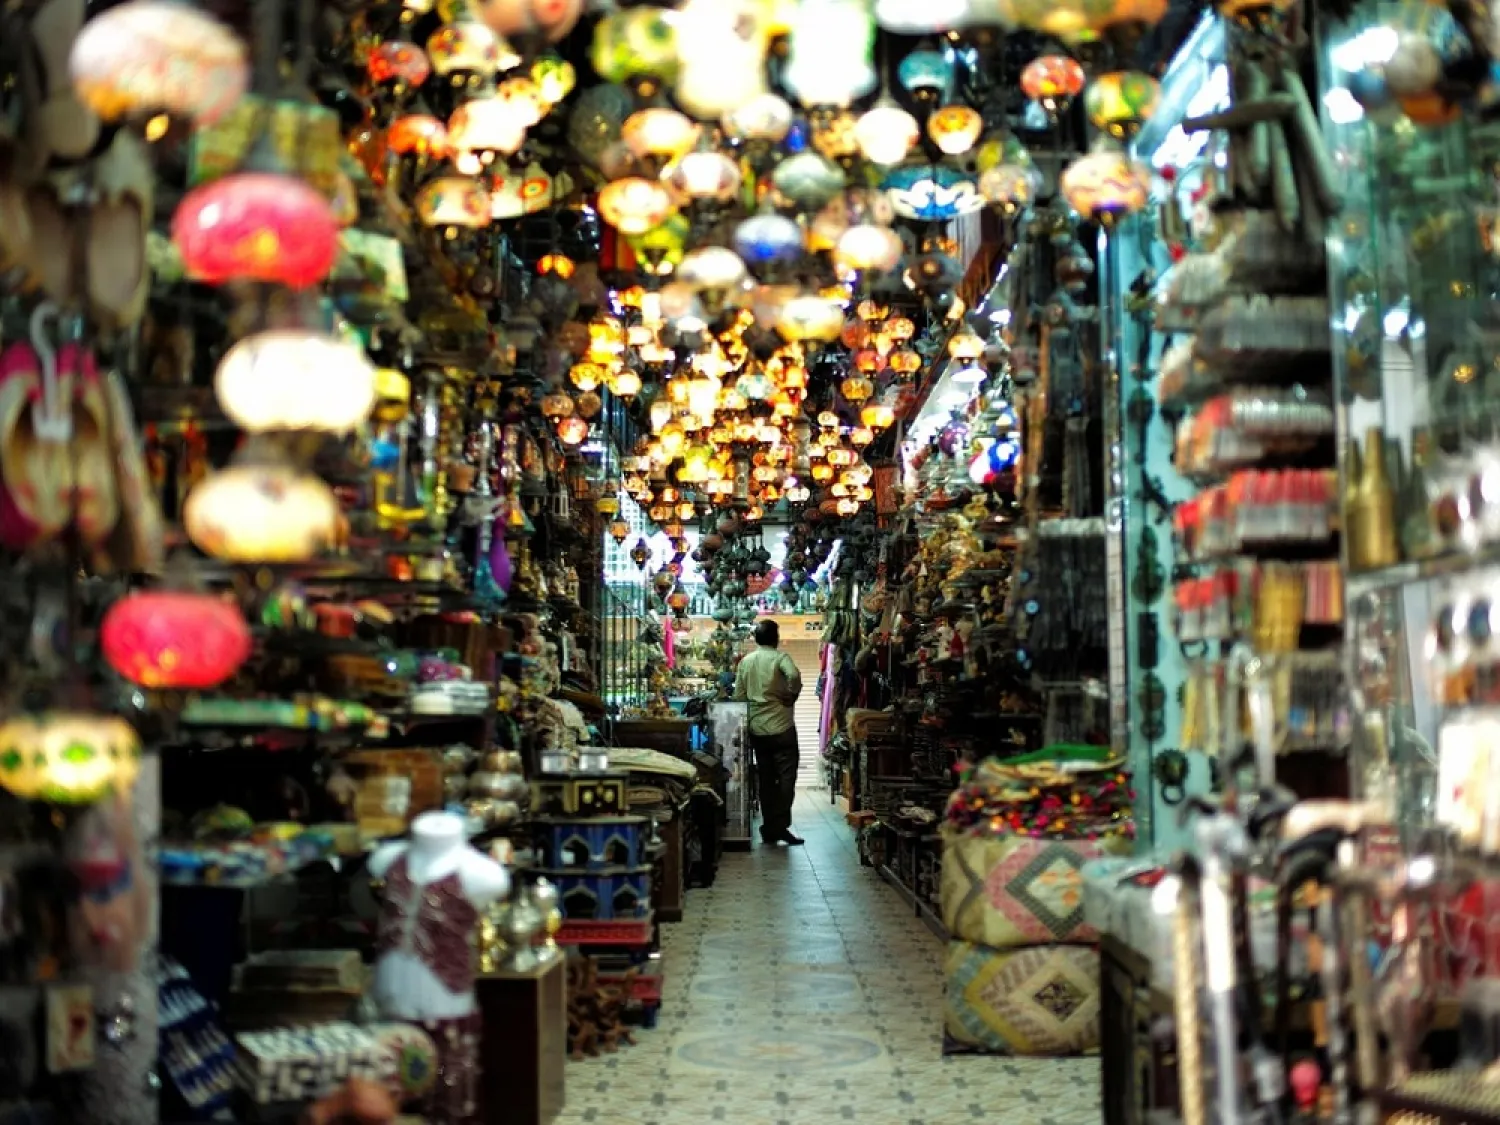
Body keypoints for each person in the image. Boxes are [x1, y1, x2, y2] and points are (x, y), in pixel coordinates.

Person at [733, 619, 804, 846]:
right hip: (782, 728)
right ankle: (778, 827)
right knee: (786, 778)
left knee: (765, 779)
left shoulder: (746, 662)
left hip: (757, 730)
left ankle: (770, 827)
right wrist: (791, 695)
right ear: (775, 637)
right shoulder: (780, 658)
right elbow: (792, 675)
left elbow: (739, 697)